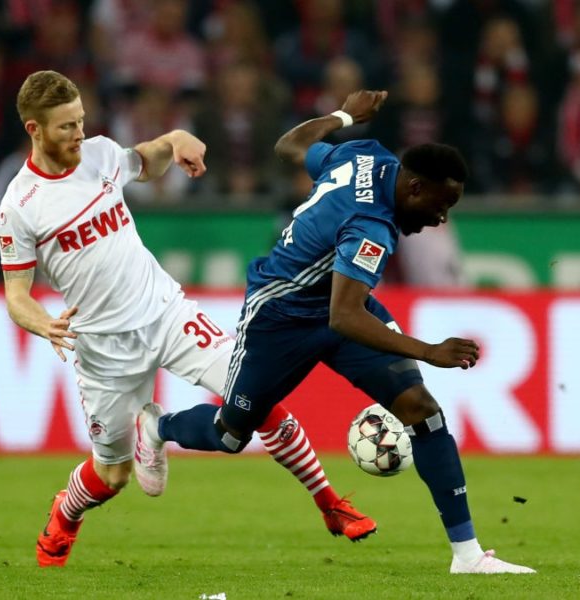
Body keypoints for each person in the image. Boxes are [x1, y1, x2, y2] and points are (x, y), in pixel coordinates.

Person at [142, 90, 536, 574]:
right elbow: (345, 318)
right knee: (230, 435)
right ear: (414, 188)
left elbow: (290, 144)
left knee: (422, 410)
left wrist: (345, 116)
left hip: (335, 298)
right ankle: (157, 427)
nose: (442, 218)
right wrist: (428, 350)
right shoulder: (372, 224)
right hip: (279, 316)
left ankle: (468, 556)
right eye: (442, 204)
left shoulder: (366, 155)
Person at [0, 70, 376, 568]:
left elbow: (144, 161)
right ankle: (65, 516)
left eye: (81, 121)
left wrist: (174, 141)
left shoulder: (101, 154)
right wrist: (42, 323)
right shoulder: (19, 207)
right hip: (103, 348)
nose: (79, 134)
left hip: (166, 312)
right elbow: (15, 295)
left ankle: (330, 504)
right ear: (35, 130)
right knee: (112, 477)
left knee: (255, 395)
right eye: (66, 127)